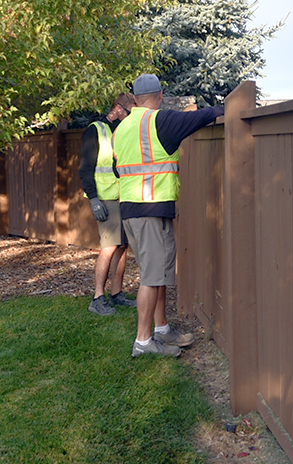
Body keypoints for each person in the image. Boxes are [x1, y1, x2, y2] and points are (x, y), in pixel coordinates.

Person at [112, 74, 224, 357]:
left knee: (157, 271)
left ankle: (161, 329)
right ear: (160, 96)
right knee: (151, 277)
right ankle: (143, 341)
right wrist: (228, 108)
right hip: (150, 209)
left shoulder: (122, 128)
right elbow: (206, 115)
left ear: (135, 100)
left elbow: (117, 169)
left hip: (131, 209)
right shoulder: (159, 122)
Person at [79, 93, 138, 315]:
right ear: (119, 109)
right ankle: (97, 298)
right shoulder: (95, 130)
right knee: (109, 247)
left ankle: (116, 294)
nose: (132, 117)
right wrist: (93, 199)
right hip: (104, 198)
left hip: (123, 197)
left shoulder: (121, 131)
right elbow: (85, 168)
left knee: (122, 247)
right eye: (130, 112)